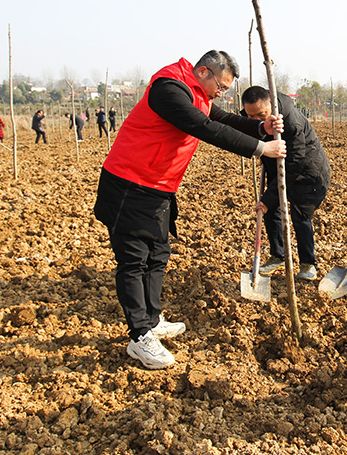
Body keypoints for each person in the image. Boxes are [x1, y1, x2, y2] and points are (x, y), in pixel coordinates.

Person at [93, 50, 286, 370]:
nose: (220, 94)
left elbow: (220, 118)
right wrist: (260, 148)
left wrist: (260, 128)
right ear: (205, 72)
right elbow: (204, 127)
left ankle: (152, 320)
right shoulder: (168, 88)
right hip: (129, 185)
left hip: (158, 188)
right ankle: (139, 336)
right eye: (221, 87)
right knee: (133, 260)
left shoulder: (196, 92)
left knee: (158, 253)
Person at [241, 86, 330, 280]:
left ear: (271, 106)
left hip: (307, 171)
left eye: (262, 115)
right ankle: (278, 256)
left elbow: (295, 163)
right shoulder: (250, 116)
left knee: (300, 214)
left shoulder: (290, 121)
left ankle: (308, 264)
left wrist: (268, 197)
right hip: (276, 165)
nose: (258, 121)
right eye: (251, 116)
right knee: (269, 209)